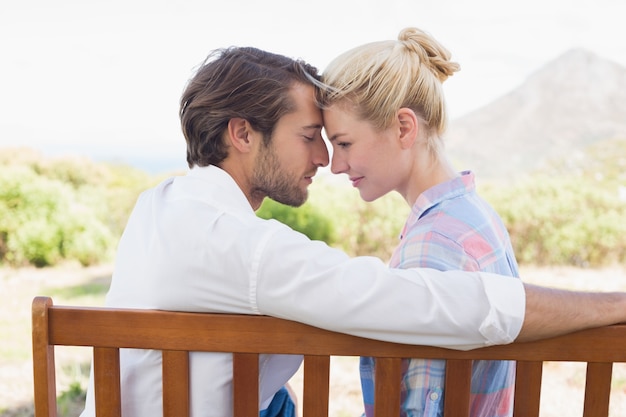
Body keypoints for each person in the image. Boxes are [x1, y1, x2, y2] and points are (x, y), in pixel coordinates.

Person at [79, 45, 626, 417]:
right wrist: (612, 303)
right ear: (243, 133)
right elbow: (424, 304)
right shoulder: (239, 246)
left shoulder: (157, 208)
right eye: (311, 135)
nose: (323, 158)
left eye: (334, 140)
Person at [320, 27, 519, 417]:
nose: (335, 165)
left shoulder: (434, 245)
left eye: (344, 143)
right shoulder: (476, 216)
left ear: (403, 128)